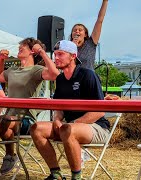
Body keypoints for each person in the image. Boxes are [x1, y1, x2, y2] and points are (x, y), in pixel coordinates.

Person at [30, 40, 110, 180]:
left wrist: (72, 123)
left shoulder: (88, 75)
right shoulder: (60, 79)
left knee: (67, 129)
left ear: (73, 56)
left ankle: (76, 177)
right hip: (69, 127)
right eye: (55, 54)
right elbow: (59, 107)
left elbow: (100, 110)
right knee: (36, 128)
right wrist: (56, 119)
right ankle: (56, 175)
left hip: (97, 127)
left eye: (60, 54)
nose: (56, 58)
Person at [0, 37, 60, 174]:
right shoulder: (12, 70)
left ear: (32, 51)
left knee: (3, 121)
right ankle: (9, 155)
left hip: (26, 119)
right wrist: (0, 59)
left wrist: (42, 52)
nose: (20, 47)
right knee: (1, 121)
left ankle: (10, 155)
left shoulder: (35, 70)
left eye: (23, 46)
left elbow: (54, 75)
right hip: (9, 118)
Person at [70, 0, 108, 70]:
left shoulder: (90, 44)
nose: (77, 32)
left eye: (80, 30)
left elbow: (99, 21)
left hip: (88, 79)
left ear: (85, 34)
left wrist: (105, 1)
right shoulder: (67, 48)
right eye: (74, 30)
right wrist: (72, 47)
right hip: (73, 80)